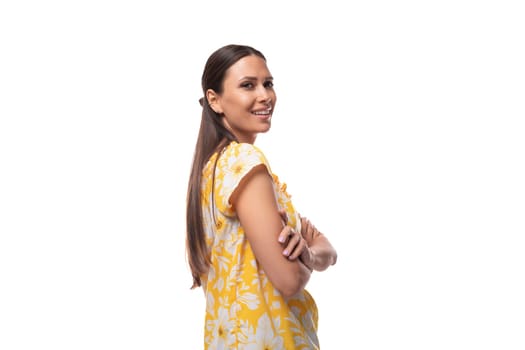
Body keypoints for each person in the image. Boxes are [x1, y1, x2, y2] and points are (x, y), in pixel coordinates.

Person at [186, 44, 337, 349]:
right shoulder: (243, 162)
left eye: (268, 83)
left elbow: (328, 251)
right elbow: (289, 279)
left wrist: (308, 252)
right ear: (214, 100)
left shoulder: (213, 170)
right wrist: (308, 256)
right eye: (247, 85)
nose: (264, 95)